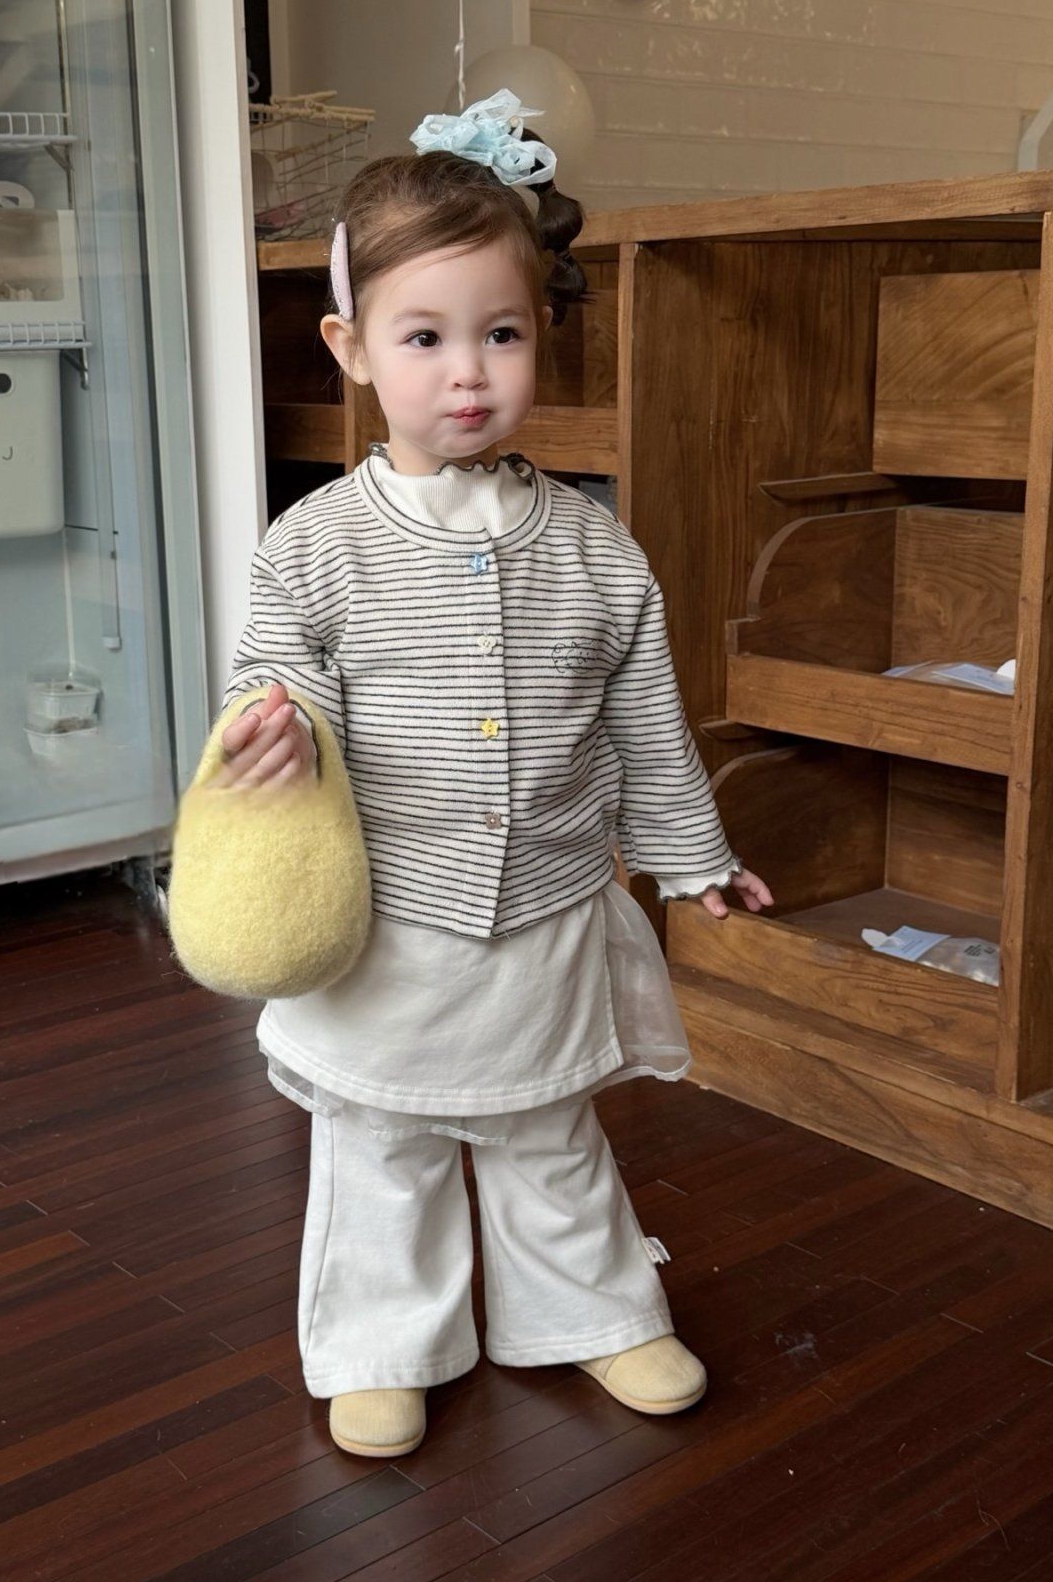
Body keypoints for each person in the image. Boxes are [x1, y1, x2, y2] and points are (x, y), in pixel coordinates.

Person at [211, 89, 774, 1458]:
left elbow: (645, 717)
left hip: (547, 909)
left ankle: (596, 1311)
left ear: (540, 338)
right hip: (390, 923)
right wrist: (267, 743)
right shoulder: (313, 546)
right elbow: (271, 685)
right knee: (383, 1145)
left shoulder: (594, 548)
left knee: (548, 1128)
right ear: (351, 348)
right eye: (425, 337)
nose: (468, 372)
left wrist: (691, 854)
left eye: (502, 334)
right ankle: (381, 1342)